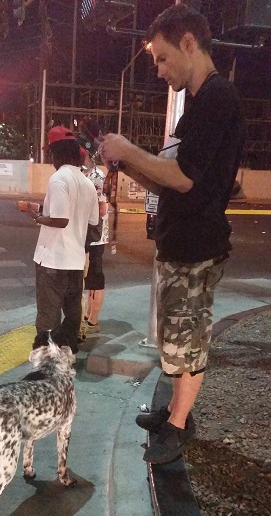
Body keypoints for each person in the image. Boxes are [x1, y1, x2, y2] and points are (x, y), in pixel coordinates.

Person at [101, 3, 245, 464]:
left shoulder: (218, 98)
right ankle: (174, 412)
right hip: (178, 243)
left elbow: (184, 176)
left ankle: (179, 426)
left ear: (188, 43)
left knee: (188, 340)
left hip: (198, 247)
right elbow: (170, 178)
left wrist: (129, 148)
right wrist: (126, 164)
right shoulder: (195, 106)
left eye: (162, 58)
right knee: (173, 339)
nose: (159, 70)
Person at [28, 126, 99, 354]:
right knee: (72, 314)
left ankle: (46, 360)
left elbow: (60, 219)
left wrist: (37, 216)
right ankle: (68, 358)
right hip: (75, 261)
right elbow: (94, 220)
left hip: (52, 260)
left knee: (48, 317)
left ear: (56, 154)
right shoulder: (87, 183)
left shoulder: (58, 178)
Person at [82, 164, 109, 334]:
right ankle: (88, 315)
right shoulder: (84, 172)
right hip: (87, 234)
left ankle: (93, 320)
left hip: (95, 236)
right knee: (89, 276)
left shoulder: (96, 175)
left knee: (95, 276)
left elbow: (101, 207)